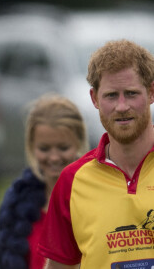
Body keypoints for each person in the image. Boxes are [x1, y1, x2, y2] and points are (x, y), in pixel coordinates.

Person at [38, 39, 154, 268]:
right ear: (94, 99)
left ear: (151, 92)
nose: (121, 106)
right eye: (111, 95)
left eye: (131, 93)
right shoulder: (72, 181)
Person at [0, 93, 89, 269]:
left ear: (79, 142)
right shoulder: (15, 202)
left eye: (63, 148)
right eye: (44, 148)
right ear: (31, 146)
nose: (53, 157)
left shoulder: (96, 195)